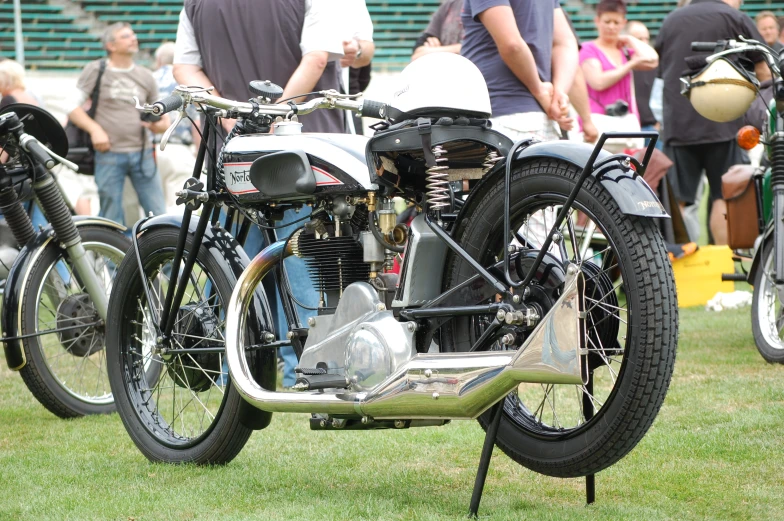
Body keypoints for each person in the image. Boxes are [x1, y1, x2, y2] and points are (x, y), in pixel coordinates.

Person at [173, 0, 352, 388]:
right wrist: (276, 113)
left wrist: (227, 111)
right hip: (300, 151)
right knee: (302, 258)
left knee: (231, 262)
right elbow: (317, 59)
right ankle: (308, 369)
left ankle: (227, 370)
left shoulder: (196, 3)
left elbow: (184, 67)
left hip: (234, 152)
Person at [656, 0, 770, 245]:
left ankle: (682, 263)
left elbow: (662, 69)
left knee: (679, 201)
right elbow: (764, 67)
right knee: (723, 195)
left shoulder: (671, 20)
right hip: (725, 123)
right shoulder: (733, 16)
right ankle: (721, 265)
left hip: (680, 124)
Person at [67, 23, 168, 227]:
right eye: (126, 36)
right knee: (111, 215)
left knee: (157, 212)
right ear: (111, 45)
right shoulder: (97, 70)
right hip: (108, 154)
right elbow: (71, 107)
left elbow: (163, 116)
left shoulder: (145, 76)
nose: (133, 38)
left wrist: (161, 125)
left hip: (143, 152)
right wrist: (95, 129)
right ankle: (112, 259)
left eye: (133, 34)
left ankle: (164, 258)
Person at [461, 0, 577, 142]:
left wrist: (539, 90)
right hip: (541, 117)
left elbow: (512, 44)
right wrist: (559, 93)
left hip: (497, 115)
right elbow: (566, 43)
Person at [579, 1, 658, 151]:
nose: (611, 26)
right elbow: (598, 82)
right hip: (597, 123)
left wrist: (630, 39)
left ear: (623, 23)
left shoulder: (625, 50)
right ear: (597, 21)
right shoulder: (588, 49)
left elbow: (653, 60)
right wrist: (630, 65)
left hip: (625, 125)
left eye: (616, 22)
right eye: (607, 21)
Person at [152, 42, 198, 213]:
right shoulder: (187, 83)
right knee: (178, 204)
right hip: (179, 150)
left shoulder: (148, 78)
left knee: (153, 207)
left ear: (158, 60)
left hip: (150, 149)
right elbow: (197, 121)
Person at [626, 20, 662, 149]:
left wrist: (658, 123)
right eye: (639, 39)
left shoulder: (655, 65)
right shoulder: (622, 63)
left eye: (646, 38)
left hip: (652, 128)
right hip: (628, 130)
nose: (644, 42)